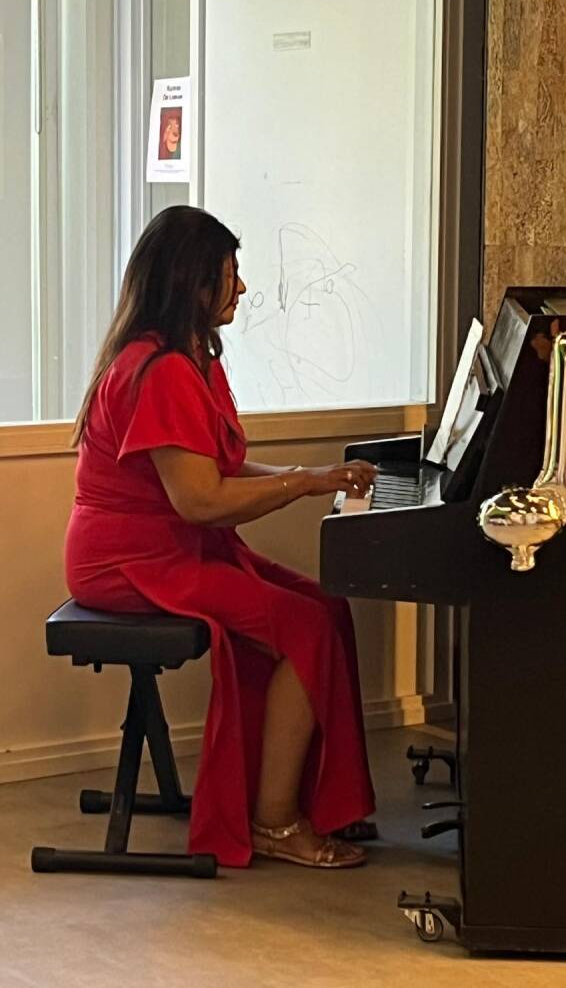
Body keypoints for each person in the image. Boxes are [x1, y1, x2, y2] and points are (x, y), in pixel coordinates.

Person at [65, 205, 377, 869]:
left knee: (325, 606)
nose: (241, 288)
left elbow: (217, 472)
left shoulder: (190, 359)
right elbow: (202, 500)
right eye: (230, 275)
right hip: (130, 563)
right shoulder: (161, 371)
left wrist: (315, 477)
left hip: (173, 547)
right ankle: (274, 822)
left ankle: (315, 801)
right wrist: (301, 481)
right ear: (194, 283)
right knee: (305, 627)